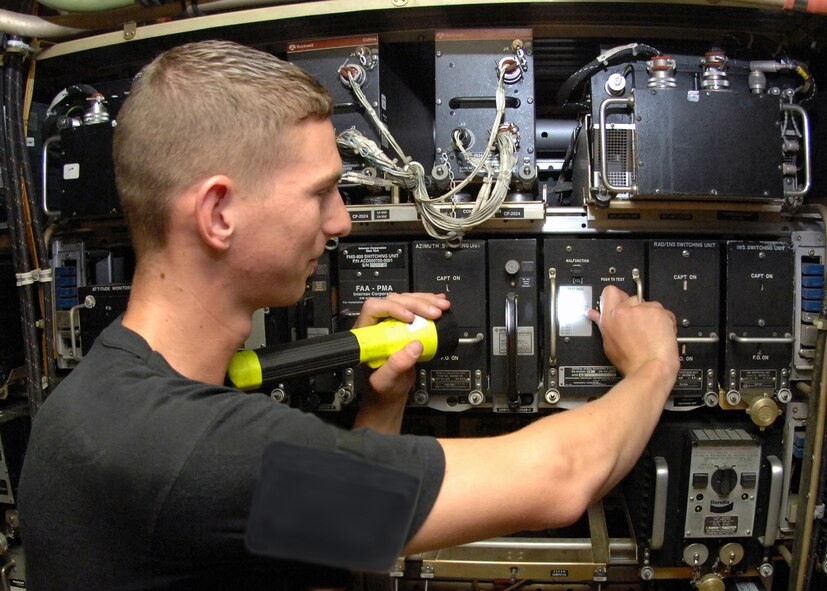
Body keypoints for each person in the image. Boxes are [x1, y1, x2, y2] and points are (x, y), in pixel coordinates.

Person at [18, 40, 680, 590]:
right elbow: (559, 481)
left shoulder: (99, 400)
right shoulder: (202, 455)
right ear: (218, 214)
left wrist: (382, 399)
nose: (338, 222)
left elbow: (346, 532)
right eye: (320, 193)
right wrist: (652, 364)